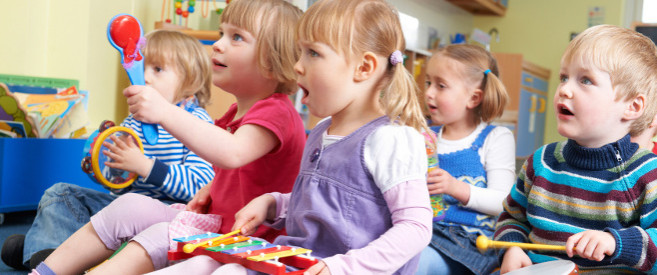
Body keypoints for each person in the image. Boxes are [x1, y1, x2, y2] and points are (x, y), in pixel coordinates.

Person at [150, 0, 434, 274]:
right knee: (214, 267)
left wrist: (344, 268)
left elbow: (416, 227)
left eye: (313, 53)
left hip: (342, 269)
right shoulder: (322, 132)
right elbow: (317, 199)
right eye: (300, 53)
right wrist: (275, 203)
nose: (297, 65)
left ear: (364, 68)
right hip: (298, 261)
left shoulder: (392, 139)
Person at [30, 1, 306, 274]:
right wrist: (212, 188)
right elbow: (239, 168)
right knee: (129, 206)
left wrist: (163, 112)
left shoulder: (278, 111)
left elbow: (232, 153)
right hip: (213, 225)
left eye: (236, 37)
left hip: (249, 246)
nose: (219, 44)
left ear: (272, 62)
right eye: (221, 33)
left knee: (160, 233)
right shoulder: (235, 112)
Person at [0, 29, 216, 271]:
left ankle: (39, 250)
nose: (144, 76)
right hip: (122, 213)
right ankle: (47, 251)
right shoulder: (134, 121)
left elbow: (199, 188)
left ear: (191, 80)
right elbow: (120, 185)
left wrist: (146, 167)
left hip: (165, 219)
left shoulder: (198, 123)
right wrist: (110, 171)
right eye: (141, 67)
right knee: (60, 193)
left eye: (157, 69)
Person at [494, 24, 657, 274]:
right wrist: (511, 248)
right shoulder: (540, 162)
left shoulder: (648, 174)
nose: (564, 89)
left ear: (632, 107)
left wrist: (616, 242)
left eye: (586, 80)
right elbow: (511, 218)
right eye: (564, 77)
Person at [415, 44, 515, 275]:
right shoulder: (426, 135)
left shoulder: (495, 138)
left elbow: (504, 202)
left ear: (473, 98)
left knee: (416, 263)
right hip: (424, 230)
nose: (429, 92)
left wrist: (456, 187)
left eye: (441, 86)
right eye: (429, 82)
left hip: (469, 242)